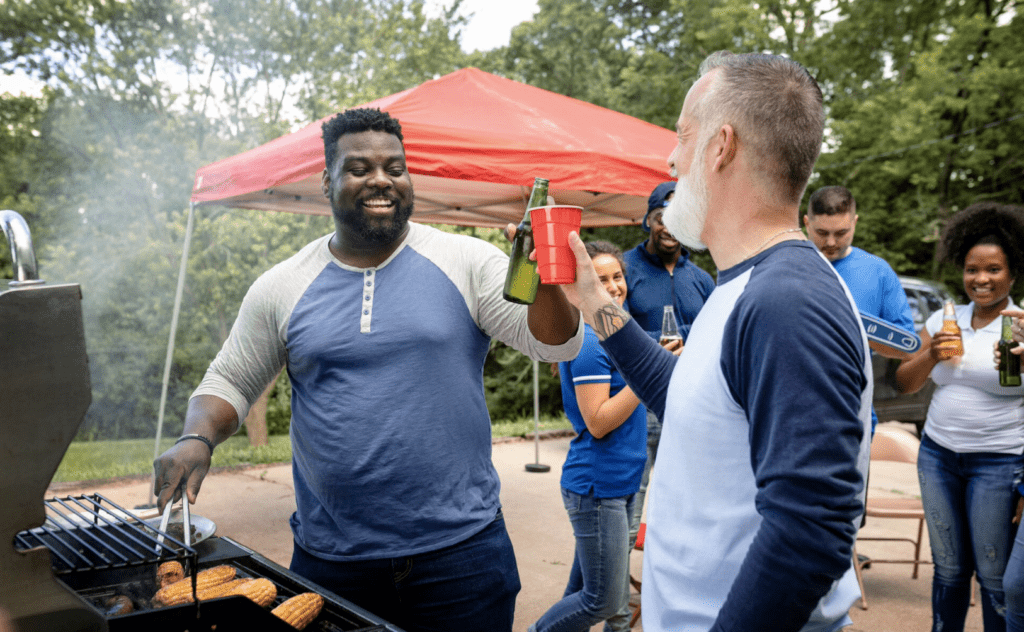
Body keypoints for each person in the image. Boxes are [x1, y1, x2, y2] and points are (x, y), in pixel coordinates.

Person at [152, 107, 583, 632]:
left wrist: (548, 274)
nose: (381, 180)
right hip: (334, 560)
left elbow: (555, 344)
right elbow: (230, 380)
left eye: (395, 168)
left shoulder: (467, 261)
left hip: (462, 556)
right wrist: (196, 437)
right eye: (359, 168)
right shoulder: (283, 284)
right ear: (327, 180)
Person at [559, 51, 872, 631]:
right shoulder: (746, 283)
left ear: (721, 145)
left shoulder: (787, 299)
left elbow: (812, 528)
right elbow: (690, 396)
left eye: (683, 137)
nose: (672, 158)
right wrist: (595, 305)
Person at [895, 202, 1024, 632]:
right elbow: (905, 384)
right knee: (948, 569)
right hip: (938, 456)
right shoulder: (944, 318)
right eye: (972, 269)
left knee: (992, 574)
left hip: (999, 462)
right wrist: (932, 351)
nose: (981, 280)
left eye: (993, 270)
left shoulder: (1019, 325)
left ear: (1012, 272)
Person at [531, 241, 650, 632]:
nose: (614, 286)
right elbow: (597, 421)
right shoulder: (587, 343)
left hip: (623, 482)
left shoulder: (616, 331)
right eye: (601, 279)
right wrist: (646, 373)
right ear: (582, 285)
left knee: (581, 588)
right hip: (598, 487)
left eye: (617, 276)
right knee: (603, 601)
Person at [622, 181, 714, 541]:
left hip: (691, 405)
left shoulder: (702, 279)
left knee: (688, 505)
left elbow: (714, 336)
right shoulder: (624, 270)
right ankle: (612, 594)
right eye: (662, 217)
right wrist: (659, 343)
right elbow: (614, 331)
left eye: (680, 218)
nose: (670, 227)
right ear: (648, 220)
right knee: (631, 504)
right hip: (638, 406)